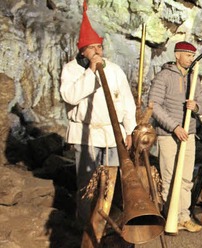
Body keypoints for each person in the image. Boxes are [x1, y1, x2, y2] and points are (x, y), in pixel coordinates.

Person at [59, 2, 136, 228]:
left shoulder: (114, 69)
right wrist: (91, 73)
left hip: (112, 136)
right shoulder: (71, 70)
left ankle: (107, 226)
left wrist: (129, 130)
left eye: (99, 47)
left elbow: (126, 102)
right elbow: (70, 96)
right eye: (92, 48)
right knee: (87, 184)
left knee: (110, 183)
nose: (97, 51)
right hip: (87, 135)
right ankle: (86, 228)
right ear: (82, 50)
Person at [149, 41, 202, 233]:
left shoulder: (193, 78)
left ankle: (183, 216)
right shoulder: (164, 76)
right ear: (177, 55)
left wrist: (196, 107)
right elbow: (154, 105)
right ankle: (170, 216)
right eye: (188, 55)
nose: (191, 59)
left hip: (188, 134)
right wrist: (174, 127)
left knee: (185, 178)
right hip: (168, 135)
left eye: (192, 56)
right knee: (169, 177)